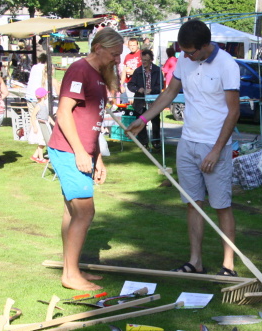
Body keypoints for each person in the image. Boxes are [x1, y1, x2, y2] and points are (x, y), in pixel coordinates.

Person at [126, 19, 241, 277]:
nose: (186, 56)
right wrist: (143, 119)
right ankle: (195, 262)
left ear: (204, 45)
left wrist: (216, 150)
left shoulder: (227, 65)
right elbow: (169, 93)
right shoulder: (185, 60)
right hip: (187, 142)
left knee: (221, 205)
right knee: (193, 203)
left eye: (190, 52)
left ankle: (228, 266)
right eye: (183, 52)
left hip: (215, 144)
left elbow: (233, 112)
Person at [46, 27, 122, 291]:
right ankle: (70, 276)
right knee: (85, 211)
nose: (117, 60)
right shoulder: (79, 70)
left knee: (73, 211)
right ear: (98, 48)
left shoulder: (98, 75)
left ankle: (72, 269)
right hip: (68, 150)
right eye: (114, 54)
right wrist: (80, 152)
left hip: (82, 151)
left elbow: (92, 121)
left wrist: (97, 157)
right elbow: (63, 113)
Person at [127, 49, 162, 148]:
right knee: (140, 120)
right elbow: (130, 85)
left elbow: (160, 86)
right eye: (142, 60)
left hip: (153, 101)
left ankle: (156, 142)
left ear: (151, 60)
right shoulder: (138, 71)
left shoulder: (157, 70)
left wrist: (152, 90)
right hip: (140, 101)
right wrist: (139, 89)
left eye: (146, 60)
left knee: (155, 122)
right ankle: (144, 143)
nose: (144, 62)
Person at [29, 87, 53, 163]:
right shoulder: (38, 106)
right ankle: (41, 158)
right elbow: (33, 116)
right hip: (40, 125)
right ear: (44, 96)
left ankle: (35, 156)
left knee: (44, 141)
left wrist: (54, 123)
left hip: (45, 124)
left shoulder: (44, 105)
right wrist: (34, 127)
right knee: (41, 141)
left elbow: (47, 116)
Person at [120, 38, 141, 103]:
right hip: (128, 83)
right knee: (128, 103)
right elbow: (124, 71)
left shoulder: (142, 54)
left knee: (137, 102)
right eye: (130, 45)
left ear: (137, 45)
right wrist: (121, 84)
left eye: (134, 45)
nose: (132, 47)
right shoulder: (127, 56)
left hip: (138, 83)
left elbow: (146, 68)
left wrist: (134, 72)